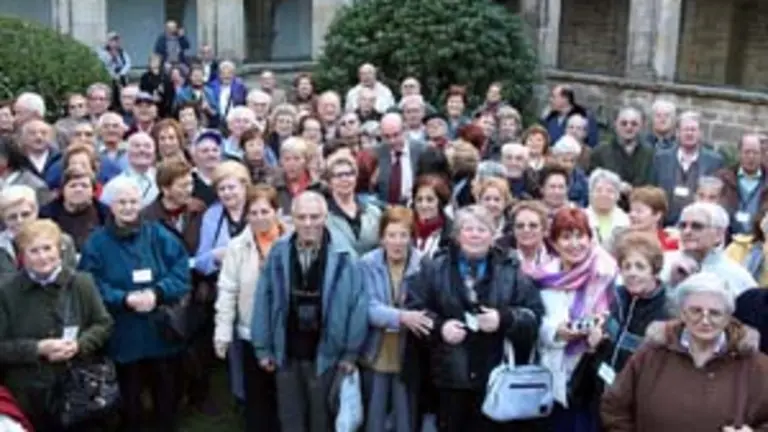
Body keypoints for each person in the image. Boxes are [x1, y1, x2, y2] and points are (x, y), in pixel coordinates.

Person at [406, 205, 544, 431]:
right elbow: (415, 308)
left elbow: (534, 315)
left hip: (496, 380)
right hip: (449, 378)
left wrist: (504, 319)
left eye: (482, 229)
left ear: (492, 235)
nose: (475, 235)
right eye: (468, 229)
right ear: (457, 235)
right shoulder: (435, 267)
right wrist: (440, 328)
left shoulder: (510, 269)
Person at [79, 176, 191, 432]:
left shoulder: (158, 234)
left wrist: (158, 293)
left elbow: (181, 270)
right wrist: (123, 298)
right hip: (122, 335)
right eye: (122, 202)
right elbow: (90, 283)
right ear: (111, 205)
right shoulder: (96, 243)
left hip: (161, 332)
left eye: (133, 202)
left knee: (166, 397)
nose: (128, 207)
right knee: (130, 402)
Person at [251, 191, 368, 432]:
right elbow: (264, 298)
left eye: (314, 217)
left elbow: (358, 306)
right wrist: (262, 347)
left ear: (326, 217)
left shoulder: (345, 256)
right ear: (291, 218)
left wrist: (350, 354)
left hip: (327, 355)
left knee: (321, 421)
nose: (308, 223)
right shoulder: (278, 252)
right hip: (287, 352)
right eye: (301, 217)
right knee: (291, 419)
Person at [601, 272, 768, 432]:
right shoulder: (651, 354)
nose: (705, 320)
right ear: (682, 313)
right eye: (696, 311)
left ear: (728, 317)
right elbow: (615, 407)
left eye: (715, 313)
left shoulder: (756, 366)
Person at [0, 220, 113, 431]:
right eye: (34, 251)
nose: (42, 257)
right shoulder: (6, 292)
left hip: (78, 390)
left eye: (47, 248)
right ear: (22, 255)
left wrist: (80, 345)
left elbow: (103, 324)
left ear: (59, 249)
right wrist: (37, 348)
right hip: (28, 394)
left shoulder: (82, 283)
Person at [529, 207, 618, 430]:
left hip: (591, 373)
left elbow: (618, 317)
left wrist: (602, 327)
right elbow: (533, 321)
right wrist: (556, 332)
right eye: (566, 237)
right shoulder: (543, 277)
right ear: (554, 243)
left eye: (580, 236)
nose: (575, 244)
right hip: (553, 374)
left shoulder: (606, 273)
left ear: (590, 238)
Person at [214, 185, 287, 431]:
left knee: (287, 400)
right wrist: (223, 332)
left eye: (265, 211)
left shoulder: (292, 241)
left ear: (277, 212)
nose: (259, 218)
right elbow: (228, 290)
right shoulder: (237, 247)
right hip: (251, 334)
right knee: (257, 401)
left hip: (288, 333)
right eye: (253, 213)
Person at [576, 232, 671, 422]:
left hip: (636, 407)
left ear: (654, 270)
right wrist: (595, 342)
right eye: (626, 266)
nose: (632, 273)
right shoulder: (615, 297)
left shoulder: (667, 310)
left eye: (640, 266)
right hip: (601, 397)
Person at [360, 206, 426, 432]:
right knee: (374, 418)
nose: (397, 242)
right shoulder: (367, 263)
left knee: (405, 419)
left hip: (409, 354)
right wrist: (401, 317)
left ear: (411, 238)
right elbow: (367, 307)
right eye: (391, 235)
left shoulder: (423, 264)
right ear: (382, 238)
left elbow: (425, 307)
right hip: (376, 351)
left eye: (403, 235)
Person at [660, 202, 757, 295]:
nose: (687, 231)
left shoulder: (737, 276)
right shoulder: (662, 262)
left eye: (697, 226)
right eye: (683, 226)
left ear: (718, 234)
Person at [0, 185, 78, 276]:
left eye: (25, 214)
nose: (20, 221)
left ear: (36, 212)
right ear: (4, 220)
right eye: (12, 217)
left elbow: (70, 277)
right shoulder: (2, 246)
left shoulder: (62, 241)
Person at [325, 156, 382, 257]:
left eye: (349, 174)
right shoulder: (324, 215)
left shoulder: (374, 212)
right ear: (329, 182)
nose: (344, 179)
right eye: (338, 175)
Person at [585, 169, 630, 249]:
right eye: (598, 190)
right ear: (590, 193)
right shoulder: (581, 217)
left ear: (618, 196)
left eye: (610, 191)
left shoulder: (626, 221)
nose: (604, 195)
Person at [411, 174, 452, 258]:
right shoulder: (406, 227)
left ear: (440, 202)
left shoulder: (451, 233)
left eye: (430, 200)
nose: (424, 205)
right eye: (419, 200)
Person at [507, 200, 554, 272]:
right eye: (520, 226)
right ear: (513, 230)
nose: (526, 230)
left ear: (544, 230)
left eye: (533, 225)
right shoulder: (502, 262)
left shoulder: (557, 260)